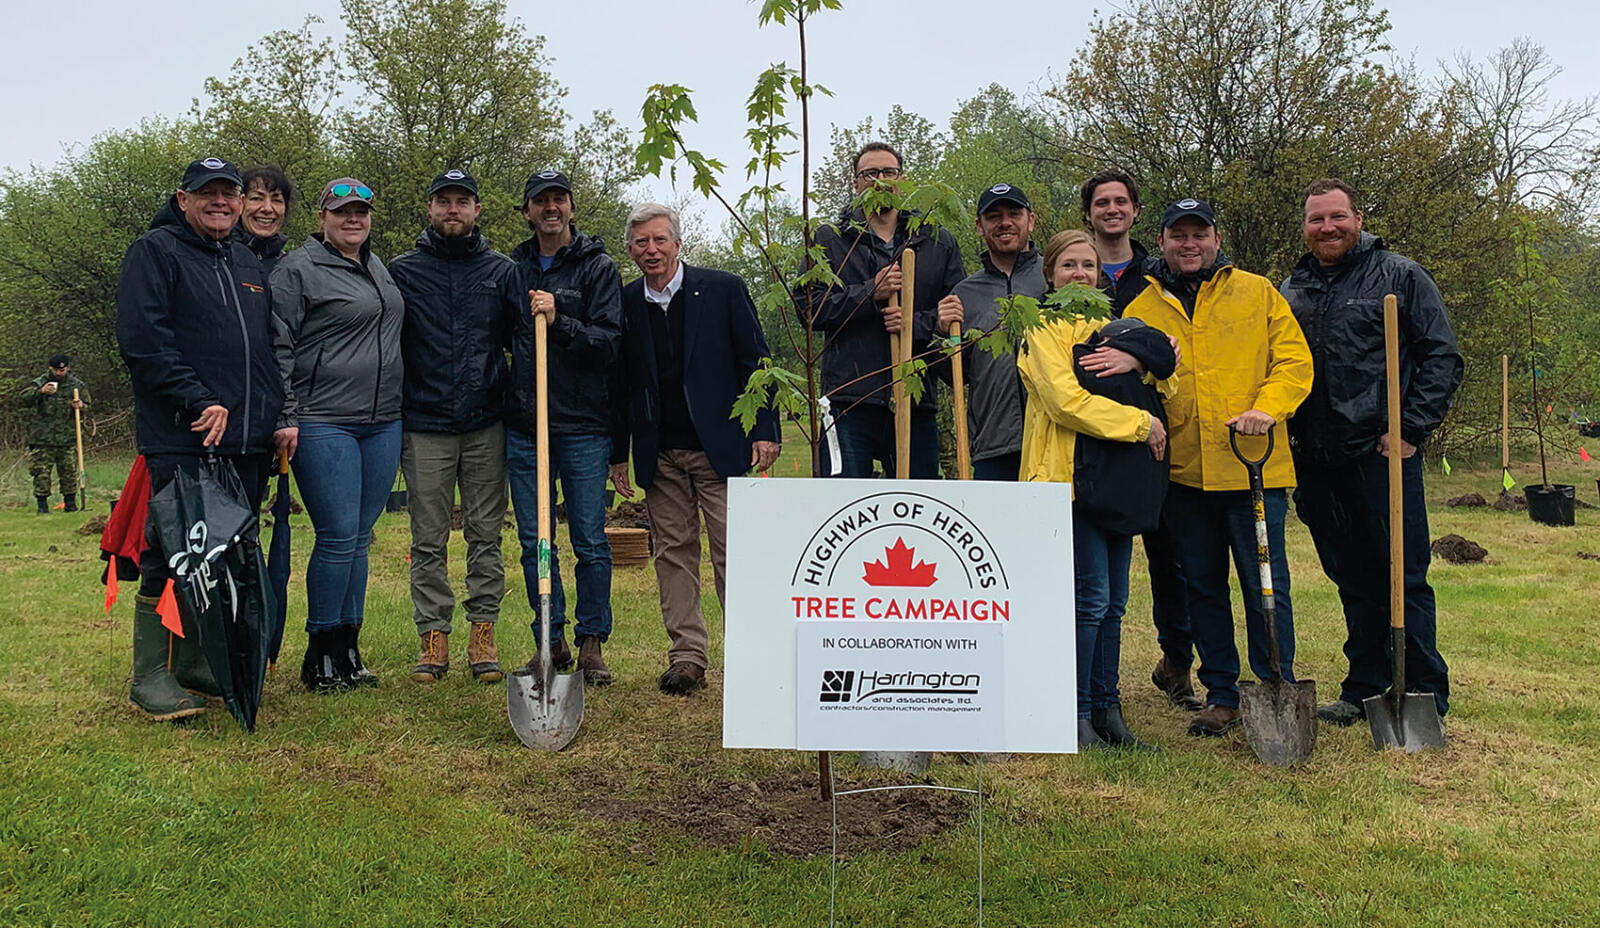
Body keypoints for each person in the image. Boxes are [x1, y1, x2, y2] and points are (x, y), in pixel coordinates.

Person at [1123, 199, 1313, 737]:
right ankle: (1224, 693)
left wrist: (1267, 408)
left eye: (1199, 234)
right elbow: (1132, 382)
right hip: (1184, 473)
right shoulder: (1142, 308)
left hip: (1254, 469)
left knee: (1265, 584)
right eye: (1177, 235)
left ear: (1216, 238)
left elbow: (1295, 362)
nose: (1189, 244)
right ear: (1159, 242)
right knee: (1202, 587)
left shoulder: (1257, 292)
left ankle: (1276, 680)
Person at [1282, 178, 1462, 725]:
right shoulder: (1292, 289)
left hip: (1382, 455)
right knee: (1351, 576)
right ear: (1306, 227)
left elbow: (1442, 357)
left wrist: (1410, 428)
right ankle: (1364, 684)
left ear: (1358, 219)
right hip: (1316, 457)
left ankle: (1424, 689)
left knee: (1403, 574)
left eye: (1337, 217)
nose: (1327, 228)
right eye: (1317, 219)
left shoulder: (1401, 277)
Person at [116, 156, 286, 722]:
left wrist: (275, 420)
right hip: (183, 435)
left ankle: (194, 661)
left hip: (245, 441)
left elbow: (261, 353)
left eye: (229, 194)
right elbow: (145, 342)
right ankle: (152, 675)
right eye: (207, 193)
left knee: (219, 555)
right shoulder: (155, 252)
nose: (221, 203)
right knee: (171, 553)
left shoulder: (245, 260)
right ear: (183, 198)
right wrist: (194, 398)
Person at [611, 203, 781, 694]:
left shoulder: (723, 289)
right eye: (641, 242)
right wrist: (618, 452)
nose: (652, 250)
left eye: (660, 240)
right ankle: (687, 657)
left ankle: (752, 654)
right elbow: (618, 385)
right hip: (659, 453)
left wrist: (764, 428)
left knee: (735, 553)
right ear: (630, 250)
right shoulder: (624, 303)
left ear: (678, 244)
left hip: (721, 450)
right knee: (673, 554)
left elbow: (756, 361)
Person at [1018, 230, 1173, 750]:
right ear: (1050, 274)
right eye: (1068, 265)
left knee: (1115, 605)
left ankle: (1110, 713)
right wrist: (1139, 424)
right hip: (1067, 483)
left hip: (1114, 481)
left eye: (1088, 265)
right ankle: (1076, 715)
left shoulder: (1112, 326)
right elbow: (1066, 401)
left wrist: (1140, 360)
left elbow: (1169, 380)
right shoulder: (1042, 329)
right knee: (1089, 600)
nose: (1079, 273)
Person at [270, 177, 405, 693]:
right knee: (336, 536)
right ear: (322, 217)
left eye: (362, 212)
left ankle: (350, 647)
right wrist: (285, 415)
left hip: (383, 421)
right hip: (324, 419)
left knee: (360, 540)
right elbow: (279, 347)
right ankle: (319, 650)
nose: (354, 220)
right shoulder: (297, 270)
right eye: (343, 211)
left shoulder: (377, 268)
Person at [390, 169, 522, 685]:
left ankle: (482, 632)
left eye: (461, 202)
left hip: (487, 422)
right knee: (427, 538)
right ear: (430, 209)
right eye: (443, 201)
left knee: (486, 535)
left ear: (476, 210)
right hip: (424, 423)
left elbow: (524, 342)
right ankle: (433, 636)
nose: (452, 210)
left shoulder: (501, 270)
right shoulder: (403, 271)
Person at [1080, 169, 1200, 711]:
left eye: (1121, 201)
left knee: (1169, 557)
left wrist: (1139, 357)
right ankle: (1085, 688)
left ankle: (1177, 662)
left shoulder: (1156, 279)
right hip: (1098, 444)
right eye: (1101, 202)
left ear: (1135, 210)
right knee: (1097, 583)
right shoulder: (1069, 276)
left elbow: (1170, 354)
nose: (1111, 210)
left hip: (1155, 442)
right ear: (1088, 213)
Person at [508, 170, 624, 680]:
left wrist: (562, 319)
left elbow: (610, 343)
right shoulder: (512, 268)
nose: (551, 208)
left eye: (559, 199)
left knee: (590, 539)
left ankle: (592, 643)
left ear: (572, 208)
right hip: (526, 427)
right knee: (536, 538)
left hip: (581, 424)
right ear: (528, 211)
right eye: (541, 201)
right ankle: (548, 641)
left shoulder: (598, 268)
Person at [805, 142, 964, 478]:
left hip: (915, 396)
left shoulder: (936, 240)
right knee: (845, 509)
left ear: (901, 179)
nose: (880, 180)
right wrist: (869, 294)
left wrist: (915, 323)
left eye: (888, 172)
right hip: (848, 399)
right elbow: (811, 311)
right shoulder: (830, 240)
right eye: (869, 174)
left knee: (918, 506)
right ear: (856, 184)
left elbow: (953, 316)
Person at [943, 183, 1044, 481]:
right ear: (979, 226)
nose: (1005, 223)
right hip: (993, 446)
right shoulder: (963, 293)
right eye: (994, 216)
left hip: (1055, 439)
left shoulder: (1055, 277)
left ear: (1031, 220)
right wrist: (944, 336)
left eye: (1014, 213)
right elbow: (956, 375)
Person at [21, 354, 90, 514]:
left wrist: (81, 406)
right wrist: (40, 392)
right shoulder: (41, 382)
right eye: (56, 370)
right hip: (43, 438)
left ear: (68, 368)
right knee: (41, 473)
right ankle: (42, 505)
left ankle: (70, 503)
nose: (59, 373)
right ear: (50, 369)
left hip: (67, 437)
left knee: (68, 472)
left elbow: (89, 405)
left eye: (62, 370)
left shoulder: (77, 385)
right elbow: (23, 398)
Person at [235, 166, 295, 273]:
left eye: (276, 200)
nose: (267, 208)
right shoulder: (219, 258)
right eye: (256, 198)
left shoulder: (293, 266)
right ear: (239, 204)